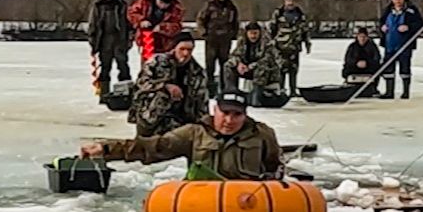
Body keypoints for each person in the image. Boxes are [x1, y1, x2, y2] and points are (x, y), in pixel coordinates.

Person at [81, 87, 283, 181]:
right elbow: (152, 147)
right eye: (225, 113)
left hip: (247, 201)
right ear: (215, 110)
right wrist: (106, 149)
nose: (229, 120)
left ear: (245, 114)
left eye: (236, 114)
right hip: (203, 200)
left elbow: (275, 167)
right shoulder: (194, 134)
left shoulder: (263, 135)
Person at [126, 32, 209, 138]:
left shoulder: (198, 72)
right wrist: (164, 86)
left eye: (189, 50)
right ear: (174, 48)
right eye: (182, 49)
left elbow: (202, 101)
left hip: (181, 118)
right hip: (151, 115)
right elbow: (141, 83)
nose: (185, 53)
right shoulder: (157, 62)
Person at [86, 0, 134, 95]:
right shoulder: (98, 6)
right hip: (104, 41)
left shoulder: (122, 4)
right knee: (105, 67)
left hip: (120, 39)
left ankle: (126, 92)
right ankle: (104, 93)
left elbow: (129, 23)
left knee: (123, 66)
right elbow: (93, 24)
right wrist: (93, 42)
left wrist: (129, 39)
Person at [379, 0, 423, 99]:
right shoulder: (387, 10)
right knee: (388, 68)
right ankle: (389, 92)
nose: (398, 1)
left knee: (404, 68)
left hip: (405, 44)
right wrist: (382, 27)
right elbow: (381, 21)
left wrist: (409, 27)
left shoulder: (411, 10)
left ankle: (405, 92)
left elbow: (420, 24)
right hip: (389, 44)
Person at [224, 19, 283, 102]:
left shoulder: (267, 43)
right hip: (247, 69)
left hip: (266, 72)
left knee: (261, 68)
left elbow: (268, 59)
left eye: (255, 33)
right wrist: (239, 63)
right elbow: (235, 55)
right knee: (228, 65)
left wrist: (251, 66)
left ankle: (256, 98)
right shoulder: (242, 42)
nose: (253, 36)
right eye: (250, 33)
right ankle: (231, 93)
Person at [127, 0, 184, 64]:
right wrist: (141, 21)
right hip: (147, 36)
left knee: (164, 64)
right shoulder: (145, 1)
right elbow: (131, 13)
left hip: (166, 41)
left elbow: (177, 27)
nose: (163, 6)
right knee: (147, 63)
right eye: (161, 2)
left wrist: (163, 27)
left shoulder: (176, 9)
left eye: (166, 4)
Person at [196, 0, 240, 80]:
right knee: (210, 64)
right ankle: (210, 84)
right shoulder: (209, 5)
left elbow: (235, 21)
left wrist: (234, 34)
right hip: (212, 38)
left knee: (224, 63)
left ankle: (224, 85)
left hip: (225, 39)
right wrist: (203, 32)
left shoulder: (231, 7)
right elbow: (200, 19)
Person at [269, 0, 312, 92]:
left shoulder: (300, 14)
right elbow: (272, 28)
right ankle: (281, 89)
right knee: (281, 68)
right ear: (284, 2)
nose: (290, 2)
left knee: (294, 69)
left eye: (292, 0)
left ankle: (293, 90)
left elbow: (305, 29)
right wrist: (272, 43)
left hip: (294, 46)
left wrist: (307, 43)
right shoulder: (278, 13)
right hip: (281, 46)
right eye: (288, 0)